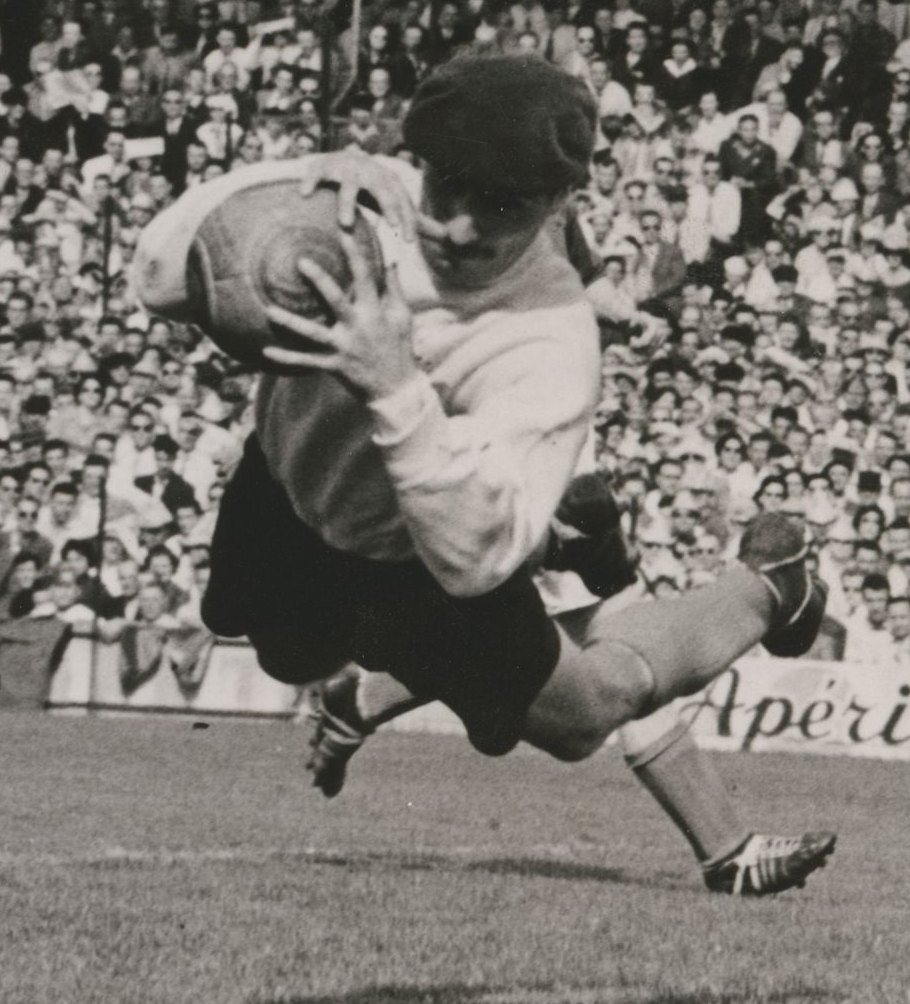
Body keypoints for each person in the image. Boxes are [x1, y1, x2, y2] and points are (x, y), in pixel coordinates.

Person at [129, 54, 836, 897]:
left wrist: (394, 385)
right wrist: (278, 188)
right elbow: (158, 278)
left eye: (500, 205)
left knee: (585, 716)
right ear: (417, 160)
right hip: (282, 492)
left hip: (426, 561)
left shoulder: (549, 342)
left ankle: (765, 589)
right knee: (286, 653)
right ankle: (377, 689)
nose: (457, 228)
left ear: (557, 205)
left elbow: (473, 561)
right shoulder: (361, 200)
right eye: (446, 187)